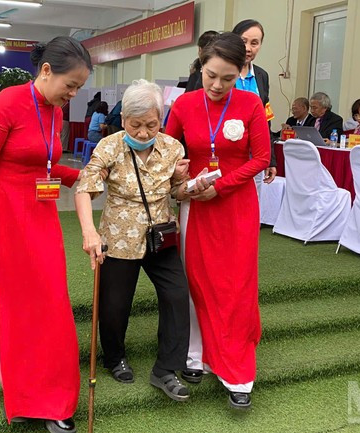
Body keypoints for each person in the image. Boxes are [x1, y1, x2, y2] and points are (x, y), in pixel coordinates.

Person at [0, 36, 91, 433]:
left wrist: (83, 176)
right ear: (46, 71)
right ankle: (25, 393)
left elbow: (42, 165)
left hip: (41, 214)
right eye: (71, 85)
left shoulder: (55, 110)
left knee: (52, 303)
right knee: (13, 309)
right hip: (1, 216)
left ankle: (53, 393)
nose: (73, 94)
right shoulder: (5, 104)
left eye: (79, 87)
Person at [165, 32, 271, 409]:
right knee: (195, 279)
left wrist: (221, 186)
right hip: (196, 205)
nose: (217, 85)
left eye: (227, 78)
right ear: (201, 67)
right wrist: (178, 176)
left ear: (241, 71)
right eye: (211, 75)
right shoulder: (184, 104)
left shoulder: (251, 103)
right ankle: (196, 354)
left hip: (236, 205)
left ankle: (237, 371)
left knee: (236, 284)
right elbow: (166, 151)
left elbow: (261, 158)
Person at [75, 79, 191, 401]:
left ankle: (166, 368)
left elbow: (175, 192)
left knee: (177, 295)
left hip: (161, 235)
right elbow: (85, 187)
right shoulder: (109, 146)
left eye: (150, 125)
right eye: (135, 124)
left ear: (160, 119)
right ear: (123, 118)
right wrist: (89, 231)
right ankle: (115, 358)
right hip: (119, 237)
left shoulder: (173, 148)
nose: (142, 133)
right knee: (115, 304)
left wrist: (187, 185)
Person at [232, 19, 277, 185]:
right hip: (227, 153)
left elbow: (266, 120)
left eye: (254, 43)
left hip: (255, 156)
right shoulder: (220, 71)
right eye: (243, 41)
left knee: (253, 199)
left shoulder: (261, 76)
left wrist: (270, 158)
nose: (248, 48)